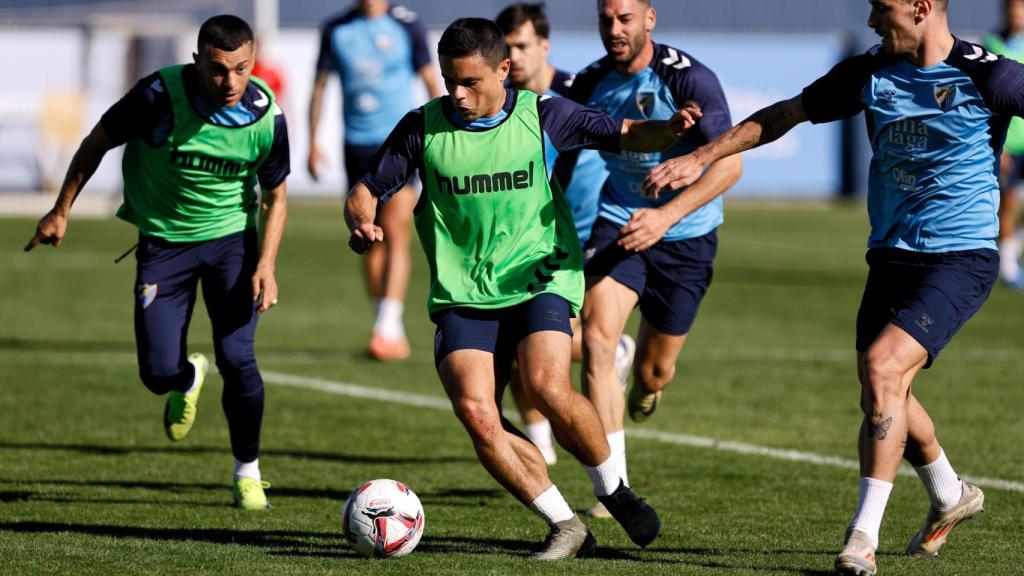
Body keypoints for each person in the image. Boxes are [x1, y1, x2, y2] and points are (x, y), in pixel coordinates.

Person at [645, 1, 1013, 574]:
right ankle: (949, 492)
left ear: (920, 8)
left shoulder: (990, 74)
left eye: (880, 9)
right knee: (882, 388)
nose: (870, 21)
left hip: (960, 255)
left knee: (884, 369)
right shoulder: (868, 73)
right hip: (890, 256)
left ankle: (861, 539)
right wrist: (703, 155)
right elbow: (783, 115)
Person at [345, 17, 701, 559]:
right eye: (449, 82)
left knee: (547, 386)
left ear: (504, 71)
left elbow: (626, 133)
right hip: (464, 291)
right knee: (477, 412)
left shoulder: (544, 113)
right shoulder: (423, 127)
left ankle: (613, 488)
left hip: (540, 276)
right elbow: (367, 188)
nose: (458, 94)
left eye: (471, 82)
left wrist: (668, 133)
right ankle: (564, 524)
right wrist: (362, 219)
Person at [25, 15, 289, 510]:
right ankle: (186, 379)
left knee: (239, 359)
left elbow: (276, 196)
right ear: (196, 63)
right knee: (155, 372)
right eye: (217, 70)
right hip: (164, 247)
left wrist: (267, 264)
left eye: (241, 69)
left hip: (232, 245)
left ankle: (247, 472)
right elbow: (96, 143)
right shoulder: (157, 97)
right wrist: (61, 211)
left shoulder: (265, 116)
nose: (230, 82)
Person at [567, 0, 741, 516]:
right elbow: (561, 157)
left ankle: (645, 382)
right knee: (597, 338)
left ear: (649, 18)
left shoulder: (691, 81)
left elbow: (730, 169)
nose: (614, 30)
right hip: (618, 222)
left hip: (686, 236)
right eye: (605, 20)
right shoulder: (589, 84)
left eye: (624, 19)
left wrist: (664, 218)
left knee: (654, 373)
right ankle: (613, 486)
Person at [495, 1, 635, 469]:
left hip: (588, 228)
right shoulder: (498, 104)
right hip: (527, 238)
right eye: (504, 47)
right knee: (517, 348)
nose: (511, 57)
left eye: (520, 46)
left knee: (559, 340)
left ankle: (613, 350)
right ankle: (541, 449)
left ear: (544, 45)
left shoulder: (579, 93)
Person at [309, 0, 442, 361]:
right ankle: (382, 320)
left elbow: (431, 81)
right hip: (357, 144)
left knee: (397, 229)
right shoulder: (336, 28)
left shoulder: (407, 26)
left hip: (400, 143)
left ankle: (389, 324)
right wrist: (312, 142)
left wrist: (444, 136)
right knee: (368, 234)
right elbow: (319, 86)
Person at [985, 0, 1024, 287]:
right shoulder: (992, 43)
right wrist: (999, 147)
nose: (1016, 14)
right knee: (1008, 203)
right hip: (1009, 142)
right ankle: (1008, 266)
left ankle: (1009, 254)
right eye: (1012, 9)